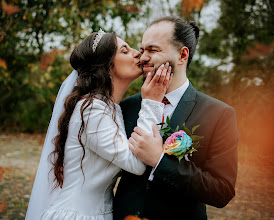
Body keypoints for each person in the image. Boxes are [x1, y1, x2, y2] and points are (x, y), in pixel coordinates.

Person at [25, 29, 173, 220]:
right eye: (125, 51)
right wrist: (152, 103)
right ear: (107, 65)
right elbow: (136, 164)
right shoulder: (92, 109)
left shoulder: (110, 108)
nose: (138, 53)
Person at [113, 16, 239, 220]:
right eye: (142, 49)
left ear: (182, 55)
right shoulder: (127, 107)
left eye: (152, 50)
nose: (143, 57)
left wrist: (160, 160)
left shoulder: (219, 115)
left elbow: (221, 191)